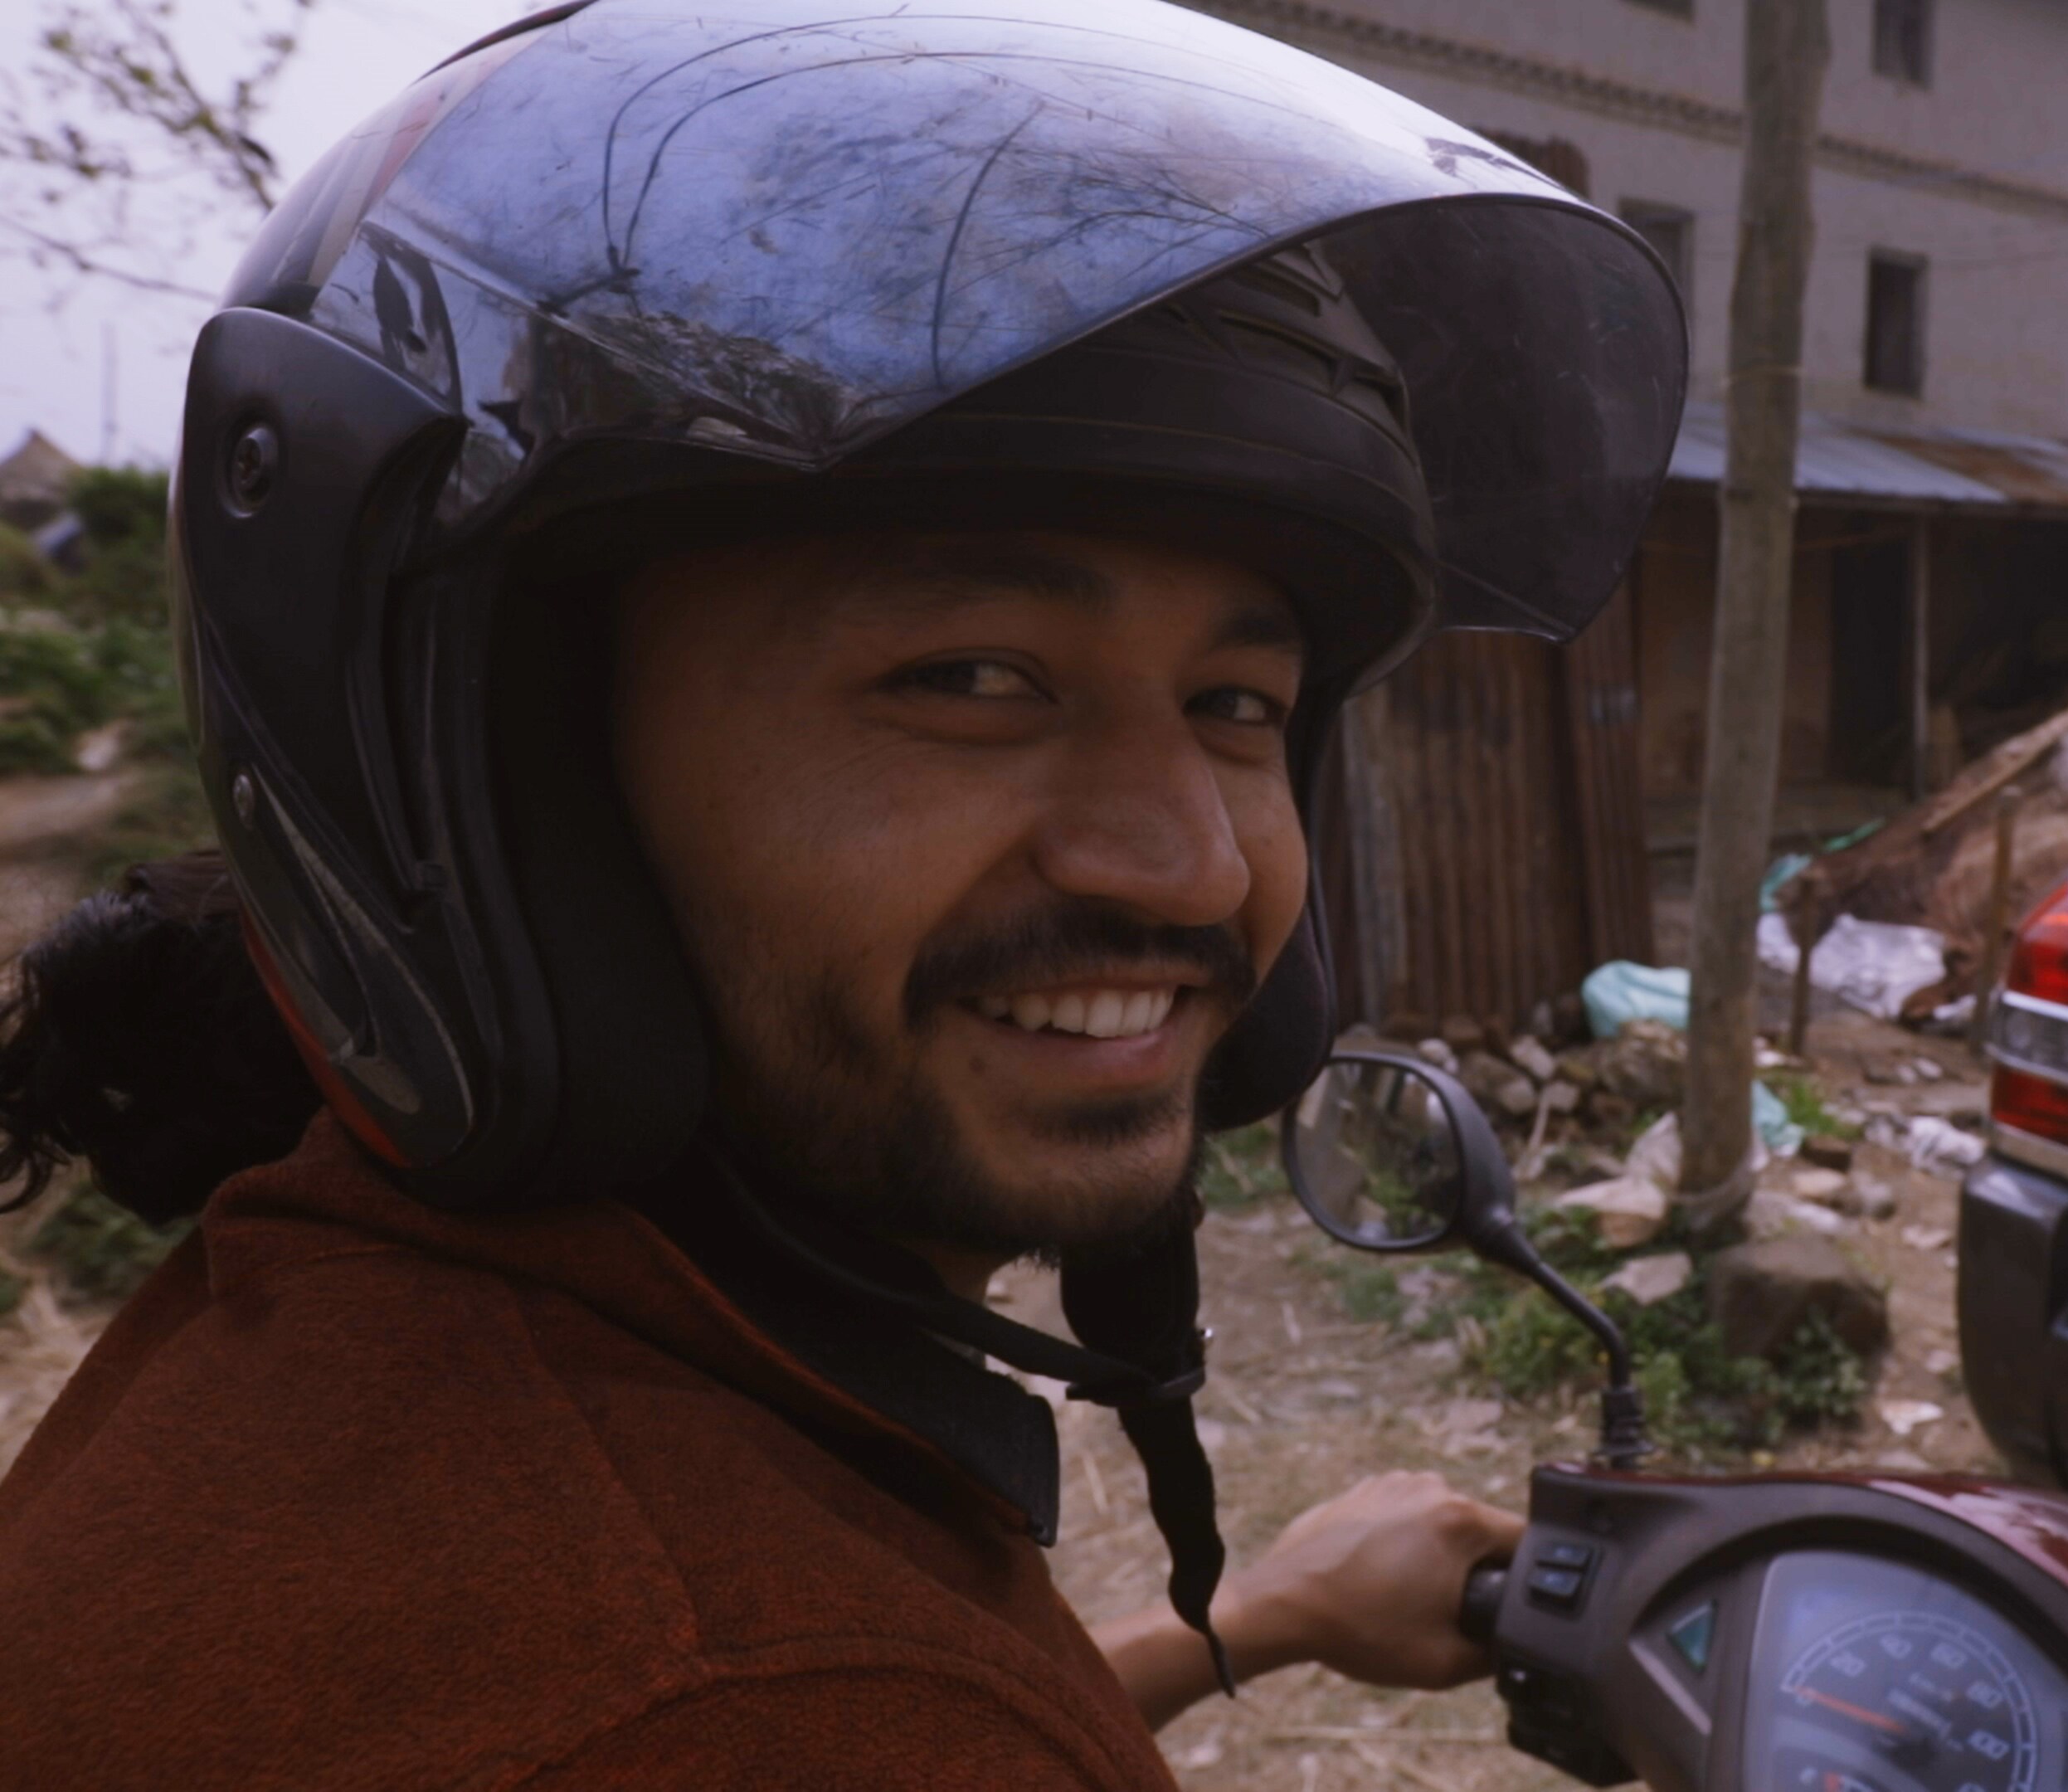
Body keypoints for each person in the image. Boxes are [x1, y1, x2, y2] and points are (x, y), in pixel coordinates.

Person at [0, 0, 1685, 1784]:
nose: (1190, 860)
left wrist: (1249, 1619)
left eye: (1236, 705)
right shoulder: (760, 1703)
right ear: (514, 790)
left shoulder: (371, 1359)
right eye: (971, 678)